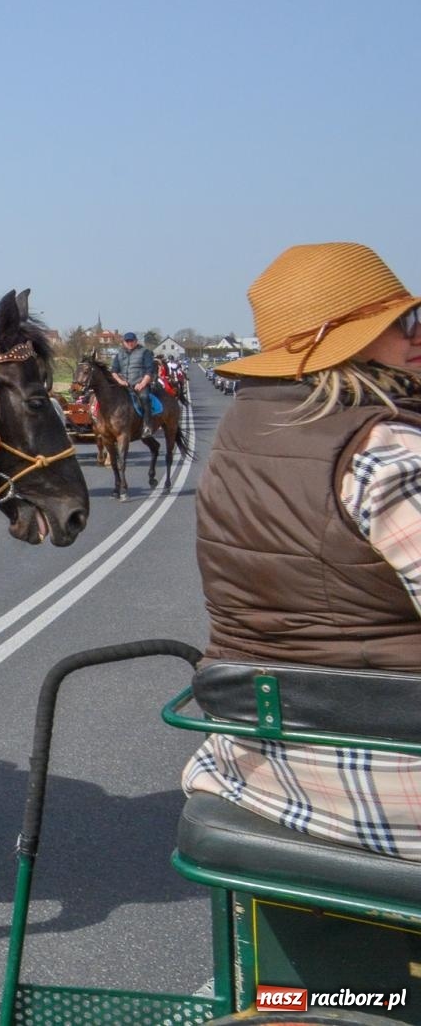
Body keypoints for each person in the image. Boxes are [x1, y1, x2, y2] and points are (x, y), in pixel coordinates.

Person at [183, 241, 421, 859]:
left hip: (255, 761)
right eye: (398, 323)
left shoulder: (234, 432)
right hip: (390, 779)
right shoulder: (389, 453)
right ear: (341, 344)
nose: (414, 334)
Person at [110, 330, 157, 419]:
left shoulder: (145, 352)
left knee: (144, 398)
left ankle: (147, 425)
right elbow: (114, 371)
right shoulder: (119, 354)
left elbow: (149, 371)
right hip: (124, 385)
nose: (129, 343)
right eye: (127, 341)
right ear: (124, 342)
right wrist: (120, 381)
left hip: (139, 385)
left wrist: (142, 384)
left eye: (131, 341)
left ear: (136, 341)